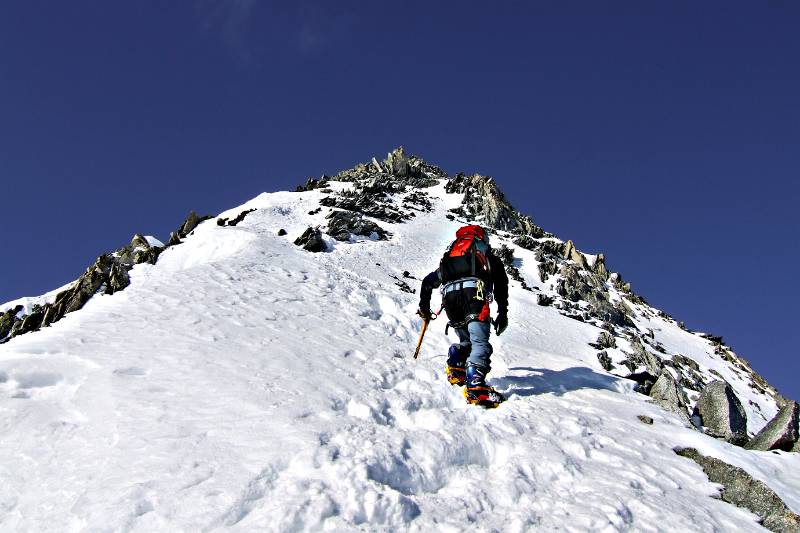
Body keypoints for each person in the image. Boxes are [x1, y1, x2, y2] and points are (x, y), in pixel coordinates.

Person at [417, 225, 509, 407]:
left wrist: (424, 308)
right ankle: (476, 388)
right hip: (474, 296)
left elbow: (428, 282)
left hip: (451, 301)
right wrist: (502, 312)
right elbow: (501, 284)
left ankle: (457, 367)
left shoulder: (452, 257)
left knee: (467, 341)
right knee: (480, 343)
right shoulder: (486, 257)